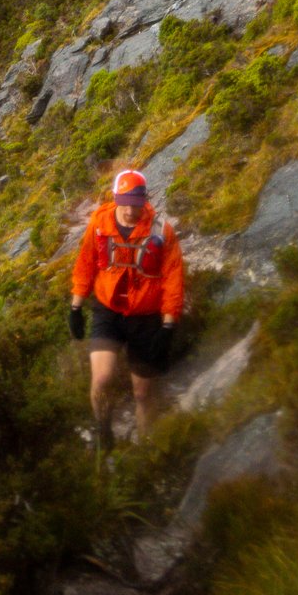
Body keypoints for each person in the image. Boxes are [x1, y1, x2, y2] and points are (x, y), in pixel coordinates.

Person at [68, 168, 184, 449]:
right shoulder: (99, 223)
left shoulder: (161, 230)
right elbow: (85, 261)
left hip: (146, 319)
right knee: (102, 378)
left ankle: (145, 450)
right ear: (116, 199)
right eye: (125, 203)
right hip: (108, 311)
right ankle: (103, 432)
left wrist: (168, 325)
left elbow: (173, 278)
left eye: (136, 204)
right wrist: (76, 306)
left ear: (144, 200)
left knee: (143, 394)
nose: (131, 211)